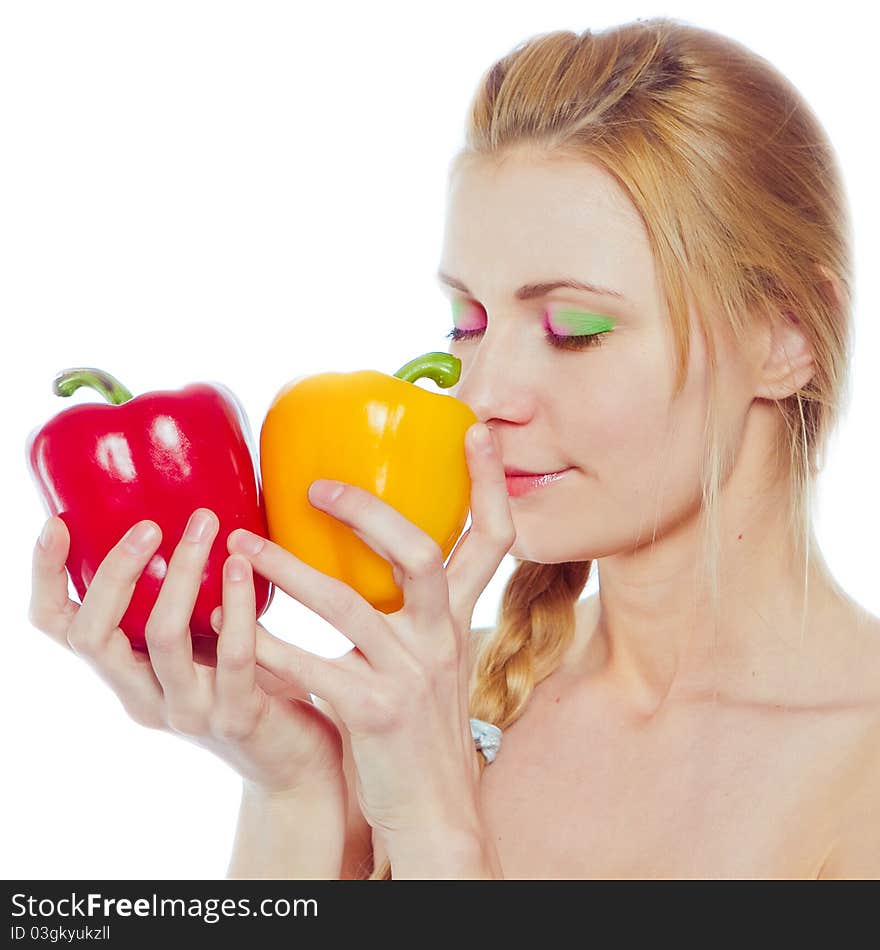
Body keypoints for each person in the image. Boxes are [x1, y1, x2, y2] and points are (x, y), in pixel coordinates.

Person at [28, 16, 880, 880]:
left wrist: (439, 832)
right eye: (467, 324)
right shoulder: (413, 692)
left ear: (787, 337)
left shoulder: (859, 768)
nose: (477, 397)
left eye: (573, 329)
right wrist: (295, 784)